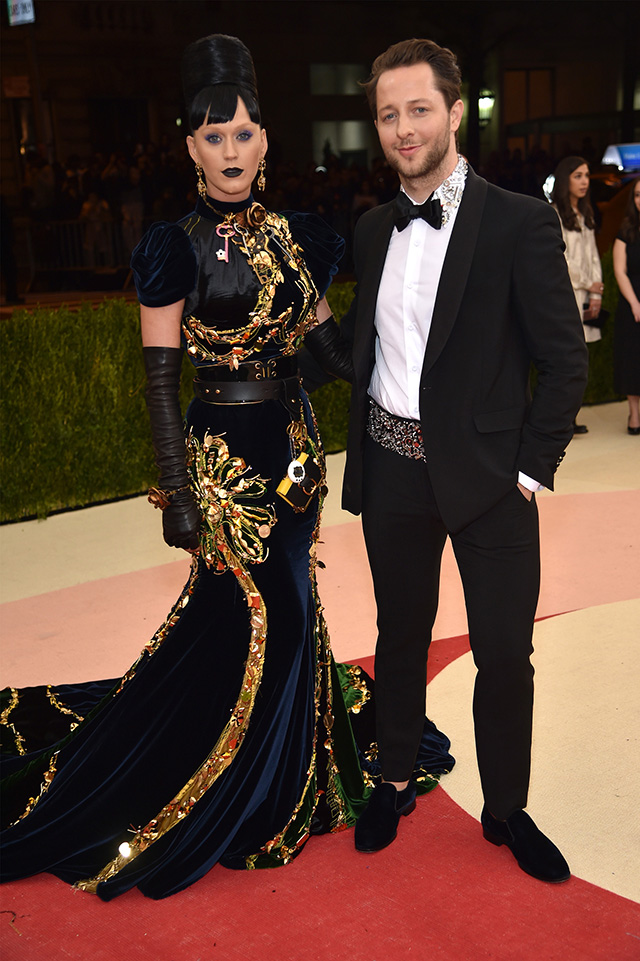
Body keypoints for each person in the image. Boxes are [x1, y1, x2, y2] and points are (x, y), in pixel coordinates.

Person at [0, 34, 453, 902]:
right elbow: (160, 381)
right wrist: (174, 490)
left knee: (286, 607)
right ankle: (248, 783)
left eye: (243, 134)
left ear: (266, 139)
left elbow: (326, 353)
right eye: (214, 138)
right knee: (263, 610)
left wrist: (410, 331)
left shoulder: (297, 238)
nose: (232, 152)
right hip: (224, 463)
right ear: (191, 150)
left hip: (294, 451)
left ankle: (283, 755)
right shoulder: (171, 248)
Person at [335, 39, 588, 883]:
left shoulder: (519, 220)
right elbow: (367, 351)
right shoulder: (373, 228)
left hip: (490, 483)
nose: (403, 129)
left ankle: (507, 808)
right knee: (398, 636)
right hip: (392, 467)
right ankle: (395, 777)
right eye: (387, 114)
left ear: (452, 111)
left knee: (504, 654)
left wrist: (528, 471)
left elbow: (565, 361)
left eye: (417, 109)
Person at [551, 155, 604, 434]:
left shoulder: (586, 213)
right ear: (565, 179)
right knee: (565, 358)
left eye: (586, 175)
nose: (584, 181)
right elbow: (560, 260)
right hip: (565, 297)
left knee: (581, 356)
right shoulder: (554, 213)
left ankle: (572, 416)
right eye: (578, 176)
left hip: (586, 296)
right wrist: (587, 282)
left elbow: (593, 255)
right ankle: (562, 418)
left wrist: (597, 289)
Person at [612, 178, 640, 435]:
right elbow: (620, 271)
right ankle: (634, 415)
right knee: (633, 360)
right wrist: (634, 303)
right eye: (639, 195)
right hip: (632, 301)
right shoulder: (626, 230)